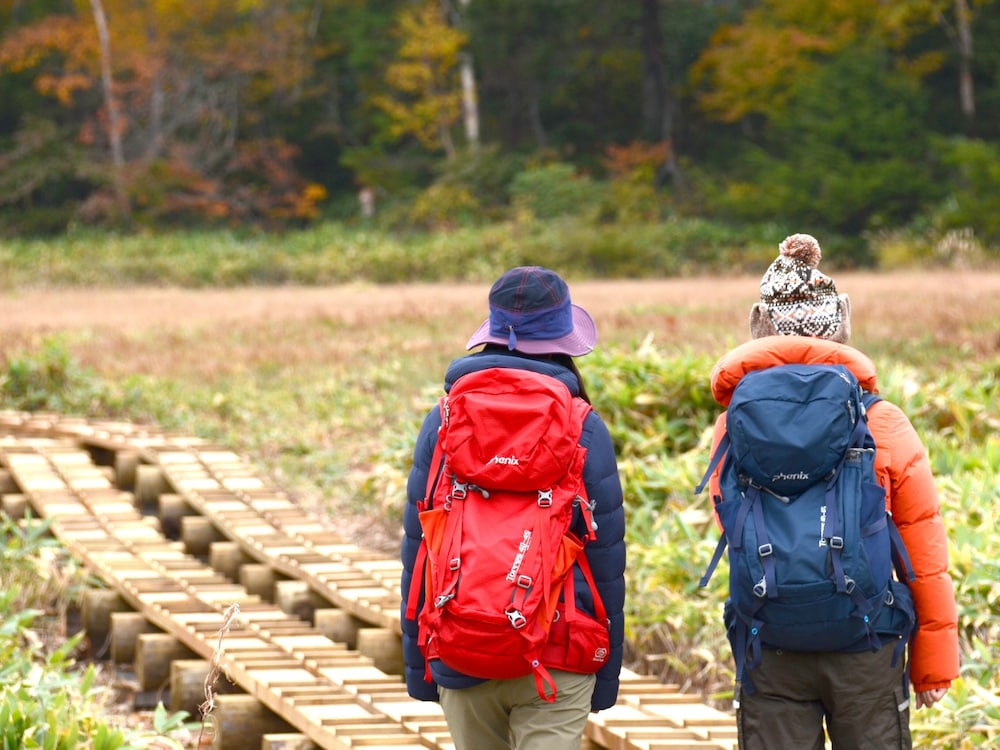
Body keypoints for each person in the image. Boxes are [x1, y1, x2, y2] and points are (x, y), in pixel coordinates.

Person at [704, 233, 959, 749]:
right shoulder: (881, 420)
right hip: (866, 641)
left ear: (761, 325)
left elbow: (732, 526)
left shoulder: (734, 424)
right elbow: (920, 545)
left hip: (769, 641)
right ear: (842, 324)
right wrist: (933, 663)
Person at [400, 266, 626, 750]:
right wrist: (605, 679)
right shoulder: (583, 425)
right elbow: (605, 559)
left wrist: (420, 669)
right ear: (562, 337)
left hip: (461, 645)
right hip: (557, 654)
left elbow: (419, 548)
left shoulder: (443, 419)